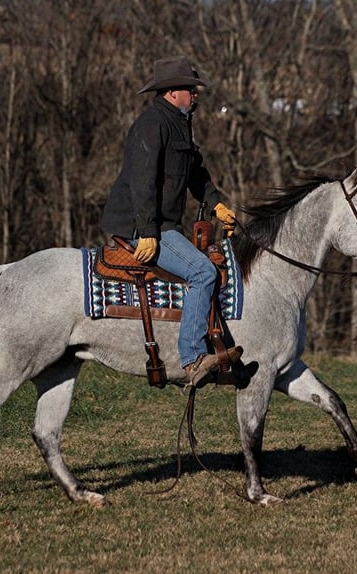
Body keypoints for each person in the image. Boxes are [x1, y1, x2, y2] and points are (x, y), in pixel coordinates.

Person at [101, 55, 240, 387]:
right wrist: (147, 232)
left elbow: (196, 173)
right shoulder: (151, 123)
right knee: (203, 272)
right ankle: (192, 360)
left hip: (160, 226)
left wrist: (217, 204)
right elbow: (142, 180)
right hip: (145, 226)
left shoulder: (179, 123)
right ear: (172, 91)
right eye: (191, 89)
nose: (196, 95)